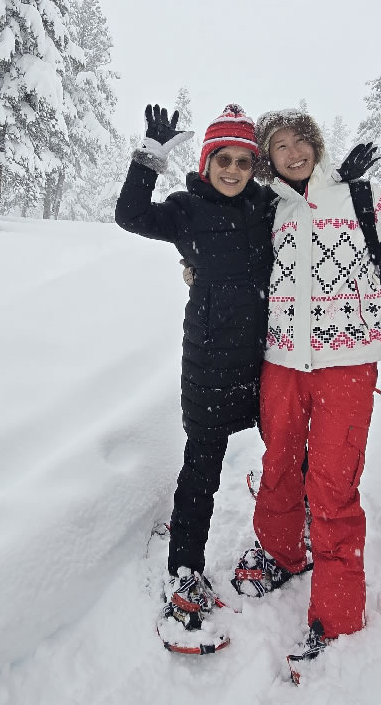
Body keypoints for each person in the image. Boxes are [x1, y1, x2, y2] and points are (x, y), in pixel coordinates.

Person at [231, 105, 381, 676]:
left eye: (300, 140)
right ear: (268, 159)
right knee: (279, 465)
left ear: (316, 143)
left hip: (347, 363)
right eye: (279, 146)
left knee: (333, 485)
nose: (292, 152)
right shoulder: (269, 209)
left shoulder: (360, 198)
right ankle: (282, 554)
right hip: (281, 362)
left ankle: (337, 618)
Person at [114, 102, 275, 652]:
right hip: (208, 360)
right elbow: (131, 215)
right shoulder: (186, 209)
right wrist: (148, 158)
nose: (232, 170)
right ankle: (184, 573)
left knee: (285, 453)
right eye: (222, 159)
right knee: (201, 468)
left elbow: (313, 215)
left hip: (266, 360)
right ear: (206, 163)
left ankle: (282, 541)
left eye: (243, 161)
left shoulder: (266, 207)